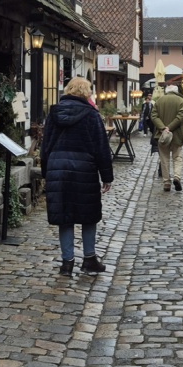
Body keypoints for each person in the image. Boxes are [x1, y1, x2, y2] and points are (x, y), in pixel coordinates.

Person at [41, 76, 113, 276]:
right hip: (84, 169)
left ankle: (67, 263)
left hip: (58, 168)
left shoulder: (54, 114)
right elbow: (101, 148)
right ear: (86, 92)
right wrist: (106, 176)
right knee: (88, 214)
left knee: (64, 215)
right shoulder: (91, 115)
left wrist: (46, 173)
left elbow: (45, 146)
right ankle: (89, 259)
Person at [151, 84, 183, 192]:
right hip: (177, 135)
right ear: (176, 91)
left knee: (164, 159)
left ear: (166, 91)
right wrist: (170, 127)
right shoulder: (181, 101)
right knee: (177, 157)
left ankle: (166, 182)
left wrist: (163, 128)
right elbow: (181, 116)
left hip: (162, 135)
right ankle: (177, 176)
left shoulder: (159, 101)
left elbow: (153, 116)